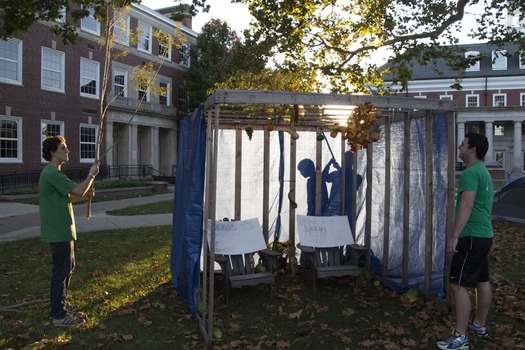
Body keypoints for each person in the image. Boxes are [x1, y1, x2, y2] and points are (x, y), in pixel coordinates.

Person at [437, 133, 494, 350]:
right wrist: (490, 234)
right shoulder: (484, 172)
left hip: (470, 236)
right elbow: (485, 206)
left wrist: (454, 235)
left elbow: (467, 206)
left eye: (463, 144)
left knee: (458, 285)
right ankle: (479, 324)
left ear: (473, 150)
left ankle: (460, 337)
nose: (459, 146)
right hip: (483, 235)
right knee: (482, 280)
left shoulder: (470, 173)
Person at [39, 135, 99, 327]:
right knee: (61, 271)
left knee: (67, 269)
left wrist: (85, 194)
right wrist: (91, 175)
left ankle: (60, 305)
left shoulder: (54, 173)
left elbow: (69, 197)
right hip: (58, 231)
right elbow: (79, 190)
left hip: (63, 230)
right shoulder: (51, 173)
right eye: (63, 148)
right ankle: (59, 316)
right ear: (52, 153)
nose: (67, 151)